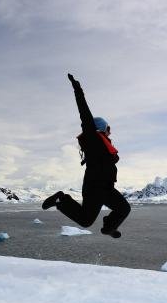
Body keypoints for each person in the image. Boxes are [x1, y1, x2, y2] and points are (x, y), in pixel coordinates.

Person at [42, 73, 131, 238]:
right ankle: (62, 200)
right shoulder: (93, 138)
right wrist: (77, 89)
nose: (110, 132)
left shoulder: (104, 145)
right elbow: (84, 112)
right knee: (94, 218)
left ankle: (108, 226)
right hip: (95, 187)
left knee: (117, 210)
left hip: (105, 187)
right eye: (108, 129)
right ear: (101, 128)